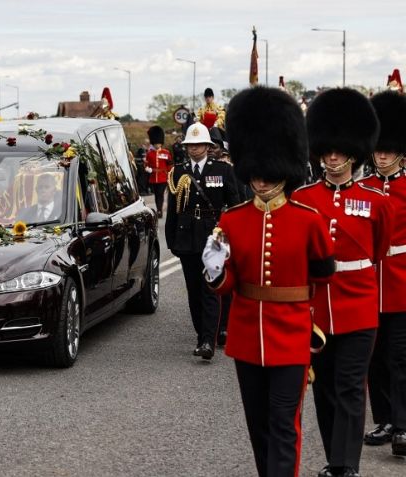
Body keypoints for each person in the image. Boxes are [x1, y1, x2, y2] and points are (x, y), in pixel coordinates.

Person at [204, 87, 336, 477]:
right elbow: (226, 286)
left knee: (283, 425)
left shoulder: (307, 219)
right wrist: (215, 270)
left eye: (268, 175)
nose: (260, 182)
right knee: (258, 427)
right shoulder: (233, 220)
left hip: (292, 337)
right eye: (255, 175)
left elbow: (323, 275)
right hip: (247, 336)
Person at [291, 88, 393, 477]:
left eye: (338, 150)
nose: (331, 157)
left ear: (353, 151)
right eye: (326, 150)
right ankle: (337, 455)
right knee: (325, 389)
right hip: (317, 310)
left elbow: (378, 250)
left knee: (351, 387)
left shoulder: (375, 201)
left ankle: (345, 465)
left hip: (358, 308)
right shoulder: (303, 199)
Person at [166, 122, 240, 360]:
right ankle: (202, 333)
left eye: (199, 144)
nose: (194, 148)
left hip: (213, 234)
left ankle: (207, 340)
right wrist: (171, 239)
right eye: (190, 145)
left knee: (210, 288)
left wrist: (231, 235)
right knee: (193, 291)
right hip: (186, 236)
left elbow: (235, 206)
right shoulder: (178, 171)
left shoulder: (223, 170)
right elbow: (173, 212)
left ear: (208, 146)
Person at [359, 90, 406, 456]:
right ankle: (385, 419)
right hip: (370, 284)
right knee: (374, 357)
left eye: (389, 149)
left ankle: (404, 424)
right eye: (379, 149)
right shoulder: (364, 189)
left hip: (403, 282)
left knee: (400, 356)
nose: (383, 155)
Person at [144, 126, 172, 218]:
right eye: (156, 143)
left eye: (159, 143)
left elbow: (169, 165)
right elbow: (146, 165)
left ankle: (159, 210)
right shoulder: (149, 153)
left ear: (161, 143)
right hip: (153, 177)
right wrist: (148, 169)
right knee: (156, 195)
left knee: (160, 193)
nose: (157, 145)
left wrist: (169, 176)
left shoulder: (166, 152)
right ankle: (158, 208)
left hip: (163, 177)